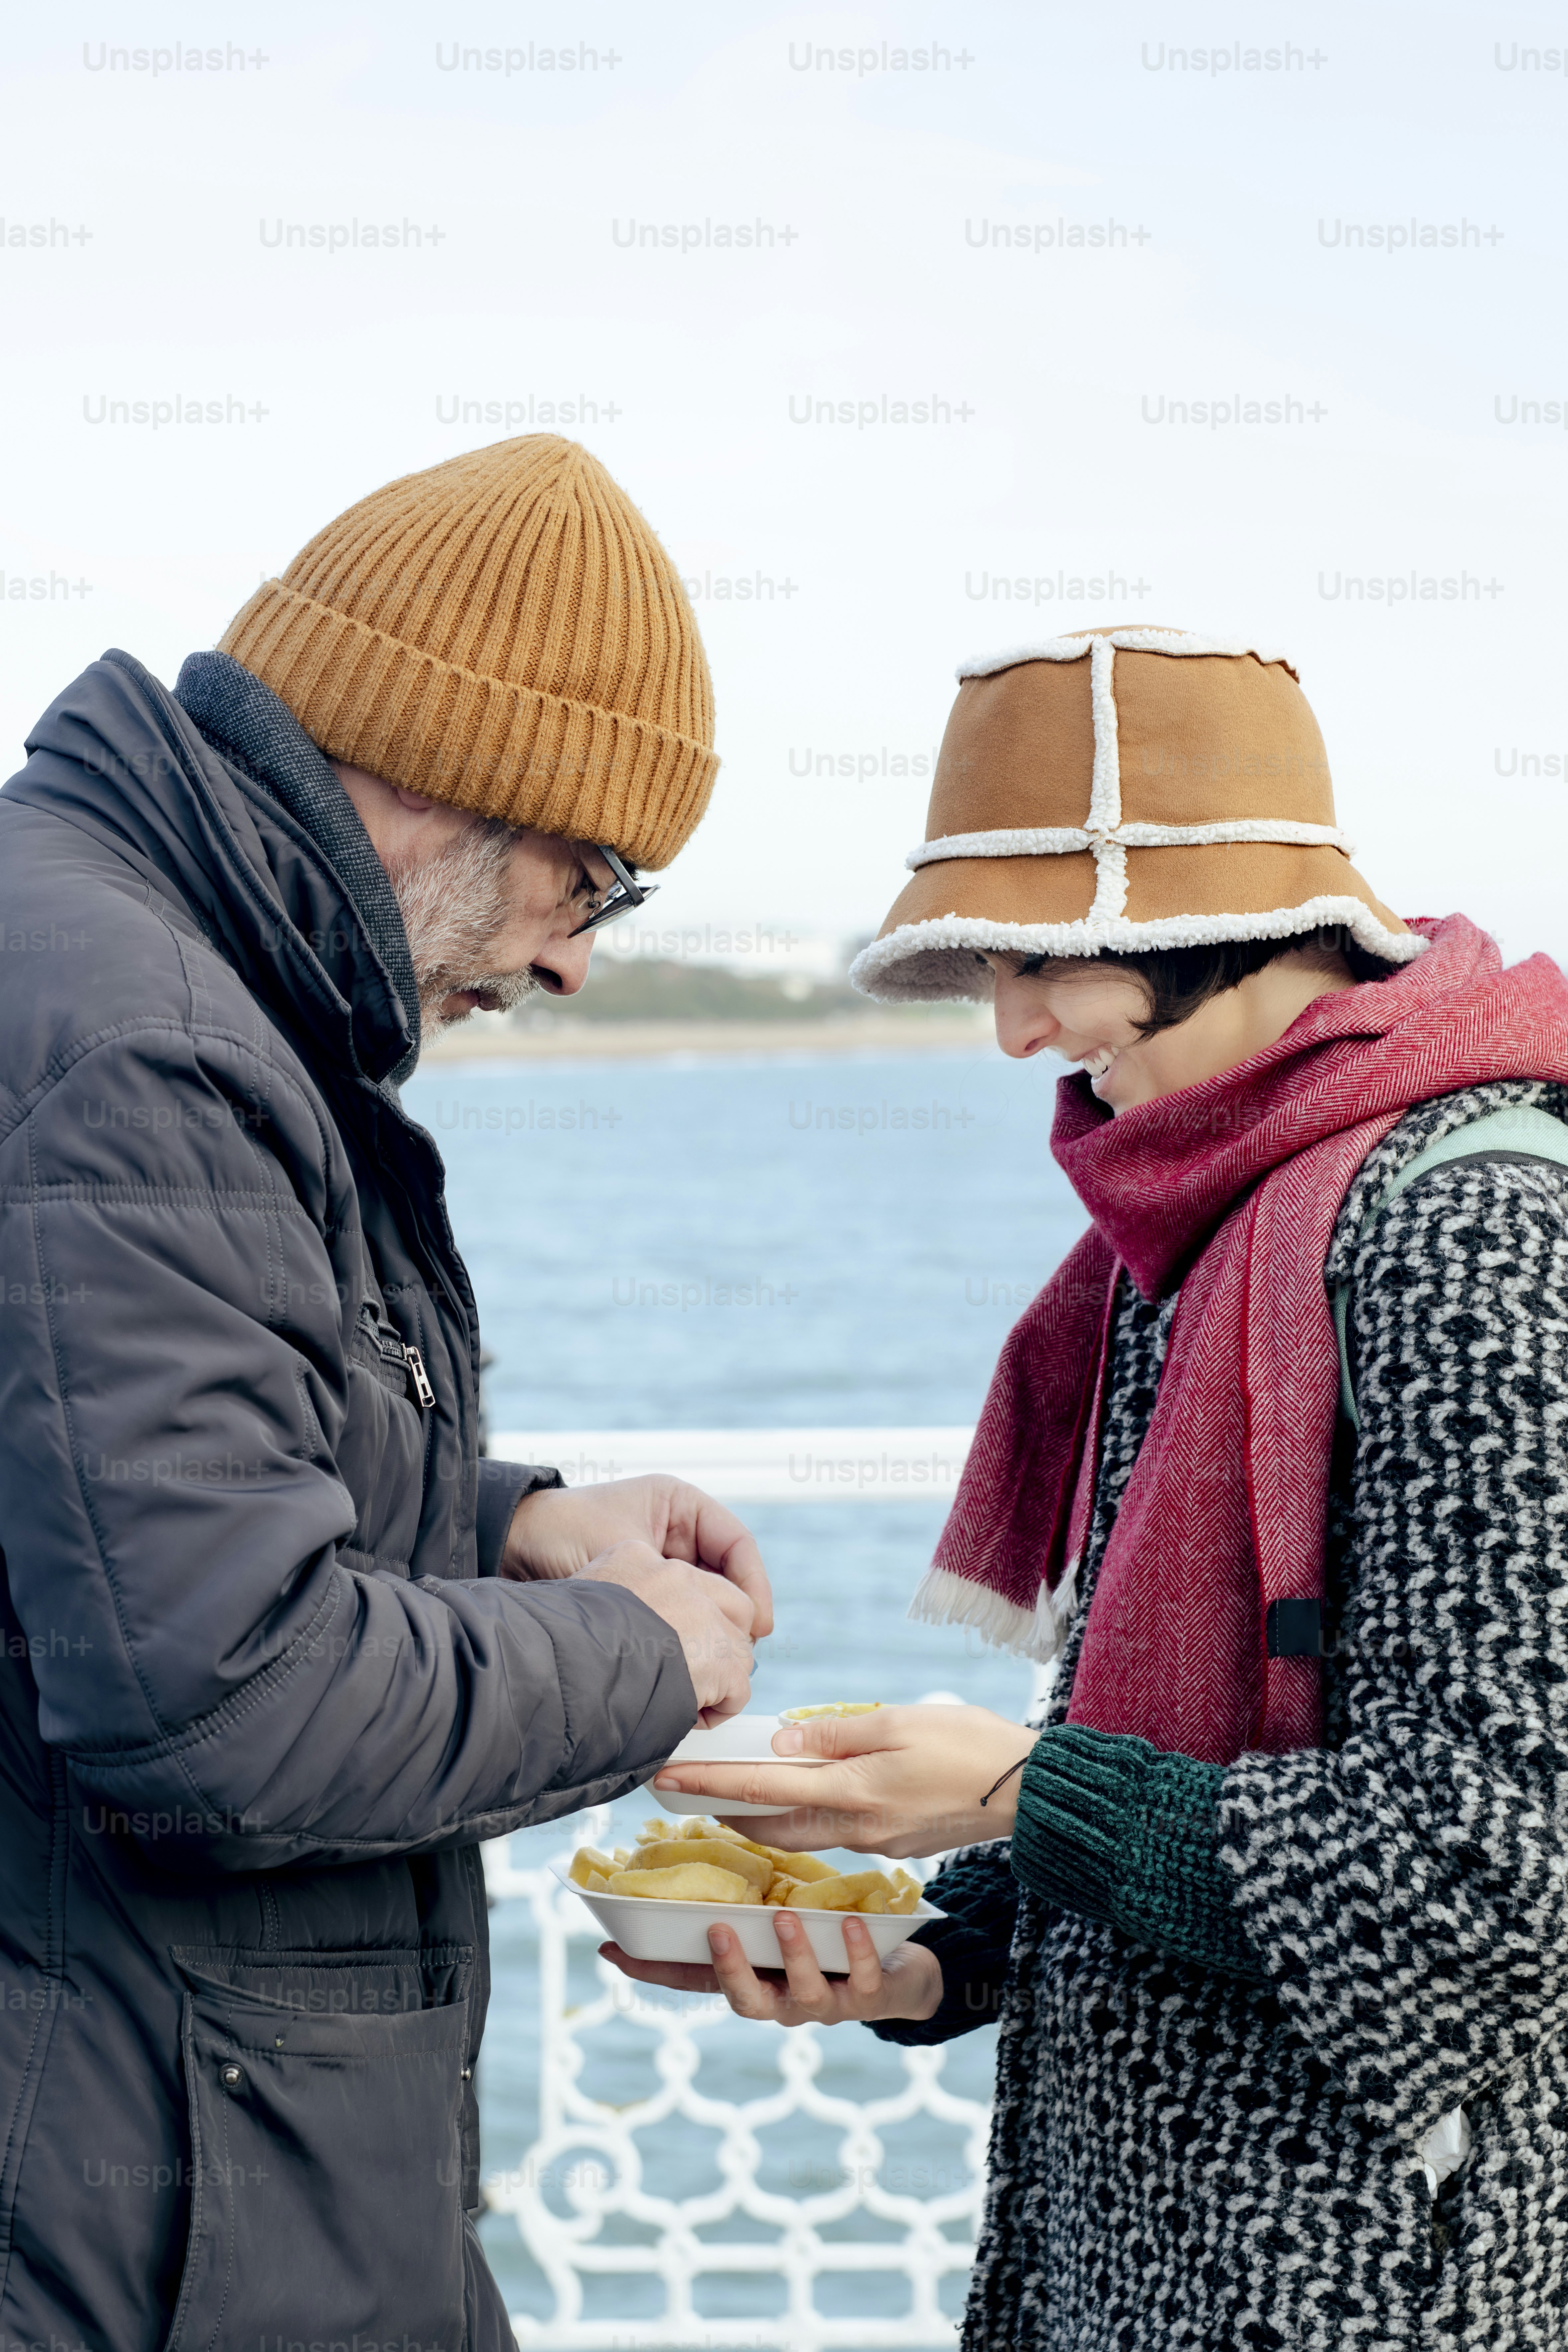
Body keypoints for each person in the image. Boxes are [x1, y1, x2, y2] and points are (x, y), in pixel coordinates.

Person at [611, 627, 1568, 2348]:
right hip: (1114, 2263)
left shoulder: (1471, 1236)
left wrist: (1018, 1797)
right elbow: (1154, 1762)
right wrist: (926, 1959)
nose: (1010, 1032)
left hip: (1368, 2290)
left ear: (1210, 920)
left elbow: (1496, 1884)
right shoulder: (1188, 1235)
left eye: (1041, 958)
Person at [0, 434, 772, 2352]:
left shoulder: (111, 953)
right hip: (121, 2211)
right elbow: (220, 1701)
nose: (579, 961)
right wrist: (637, 1652)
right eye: (591, 879)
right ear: (443, 778)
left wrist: (505, 1521)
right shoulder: (146, 1044)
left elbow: (111, 1478)